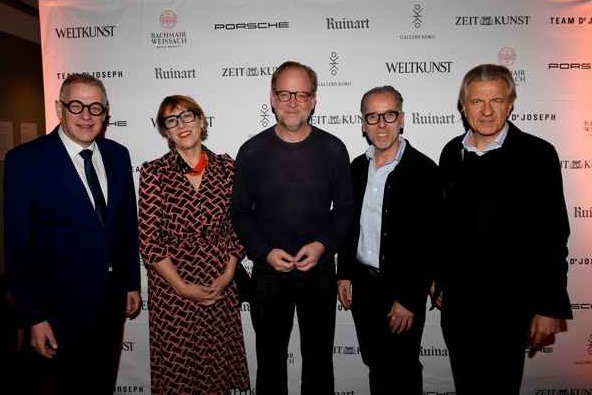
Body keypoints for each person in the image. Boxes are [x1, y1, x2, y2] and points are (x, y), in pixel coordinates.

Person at [434, 63, 572, 394]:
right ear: (463, 106)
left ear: (510, 104)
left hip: (510, 305)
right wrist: (439, 278)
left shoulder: (537, 154)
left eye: (496, 100)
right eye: (477, 101)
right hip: (459, 306)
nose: (486, 111)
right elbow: (444, 225)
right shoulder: (451, 153)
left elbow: (553, 234)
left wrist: (549, 306)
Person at [3, 73, 142, 395]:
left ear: (106, 113)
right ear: (59, 108)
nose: (86, 115)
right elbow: (17, 249)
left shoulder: (118, 154)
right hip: (61, 308)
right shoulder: (25, 161)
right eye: (76, 105)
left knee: (104, 382)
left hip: (111, 303)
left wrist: (131, 283)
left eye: (95, 108)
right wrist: (34, 318)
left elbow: (126, 225)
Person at [231, 60, 354, 394]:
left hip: (320, 273)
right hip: (268, 274)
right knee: (270, 365)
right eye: (285, 94)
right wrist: (264, 252)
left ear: (313, 100)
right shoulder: (251, 152)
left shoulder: (333, 149)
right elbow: (239, 212)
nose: (293, 102)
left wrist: (322, 245)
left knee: (319, 365)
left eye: (301, 94)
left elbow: (345, 210)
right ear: (272, 98)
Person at [138, 95, 250, 394]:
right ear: (166, 131)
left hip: (218, 282)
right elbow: (149, 239)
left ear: (201, 121)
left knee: (217, 373)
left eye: (187, 116)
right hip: (172, 289)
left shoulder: (227, 167)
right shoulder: (154, 172)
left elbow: (237, 229)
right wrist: (182, 287)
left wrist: (227, 276)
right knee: (179, 376)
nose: (181, 125)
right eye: (171, 120)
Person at [337, 85, 443, 394]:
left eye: (389, 115)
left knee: (403, 369)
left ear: (402, 119)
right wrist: (344, 272)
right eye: (373, 116)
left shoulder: (424, 170)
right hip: (364, 286)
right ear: (363, 123)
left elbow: (432, 241)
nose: (381, 124)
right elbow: (349, 226)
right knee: (376, 364)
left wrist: (409, 299)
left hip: (403, 289)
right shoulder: (356, 168)